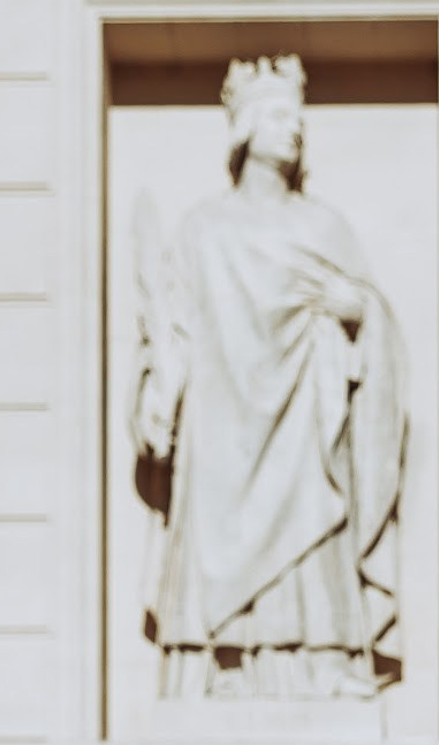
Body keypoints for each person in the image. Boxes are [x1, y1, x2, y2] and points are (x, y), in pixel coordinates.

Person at [129, 54, 407, 700]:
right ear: (244, 128)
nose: (295, 130)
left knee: (316, 512)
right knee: (216, 522)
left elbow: (375, 323)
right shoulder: (203, 230)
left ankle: (325, 660)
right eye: (280, 116)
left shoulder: (324, 227)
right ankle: (220, 664)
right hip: (223, 437)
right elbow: (171, 336)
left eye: (299, 118)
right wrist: (154, 398)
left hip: (305, 429)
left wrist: (360, 312)